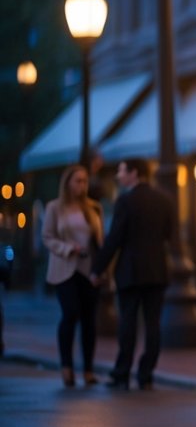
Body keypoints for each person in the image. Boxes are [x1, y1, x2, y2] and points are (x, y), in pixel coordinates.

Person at [91, 158, 174, 391]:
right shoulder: (165, 200)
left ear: (134, 173)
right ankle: (146, 374)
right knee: (153, 323)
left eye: (121, 170)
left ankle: (122, 373)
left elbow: (114, 238)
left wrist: (97, 269)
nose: (118, 175)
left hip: (130, 270)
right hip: (157, 270)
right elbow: (170, 235)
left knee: (128, 322)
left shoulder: (125, 201)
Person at [42, 165, 105, 387]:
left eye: (85, 181)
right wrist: (68, 248)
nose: (82, 185)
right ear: (67, 182)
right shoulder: (54, 208)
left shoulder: (94, 208)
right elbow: (47, 237)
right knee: (70, 314)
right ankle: (66, 367)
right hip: (65, 269)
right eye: (78, 181)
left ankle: (88, 369)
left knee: (89, 320)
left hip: (89, 270)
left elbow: (100, 242)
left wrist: (102, 269)